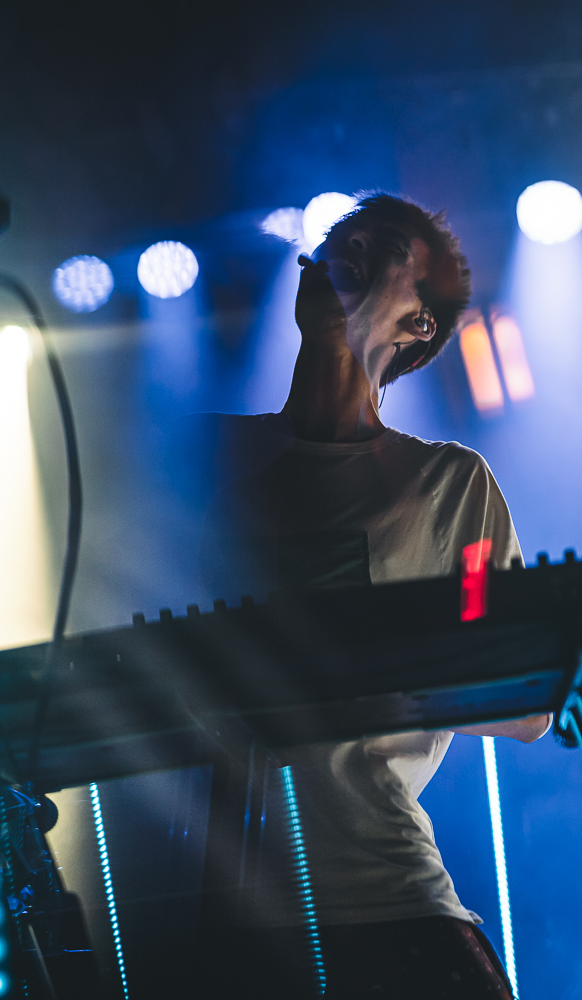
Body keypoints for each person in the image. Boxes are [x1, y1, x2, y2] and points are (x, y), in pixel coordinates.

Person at [180, 194, 552, 999]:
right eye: (337, 242)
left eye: (383, 248)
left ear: (419, 323)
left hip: (387, 899)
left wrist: (374, 678)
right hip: (243, 909)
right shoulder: (214, 463)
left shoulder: (450, 486)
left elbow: (525, 705)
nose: (345, 250)